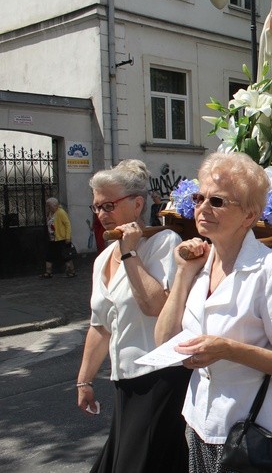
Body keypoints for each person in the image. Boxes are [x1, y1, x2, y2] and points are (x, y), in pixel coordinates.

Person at [154, 152, 272, 473]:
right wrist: (183, 273)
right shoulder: (198, 264)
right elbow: (164, 340)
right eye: (199, 197)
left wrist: (226, 349)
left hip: (260, 433)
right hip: (202, 422)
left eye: (218, 201)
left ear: (249, 216)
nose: (202, 207)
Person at [76, 159, 189, 473]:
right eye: (97, 206)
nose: (101, 213)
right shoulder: (102, 260)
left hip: (161, 377)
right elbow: (100, 326)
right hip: (125, 381)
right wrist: (84, 381)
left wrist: (130, 252)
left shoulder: (164, 244)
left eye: (109, 204)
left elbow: (157, 306)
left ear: (138, 204)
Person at [41, 197, 76, 278]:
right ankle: (48, 272)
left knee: (66, 256)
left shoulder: (60, 212)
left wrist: (68, 237)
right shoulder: (50, 213)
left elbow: (68, 224)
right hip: (52, 238)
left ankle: (72, 271)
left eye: (49, 206)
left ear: (54, 205)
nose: (48, 207)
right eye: (47, 206)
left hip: (62, 238)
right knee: (49, 255)